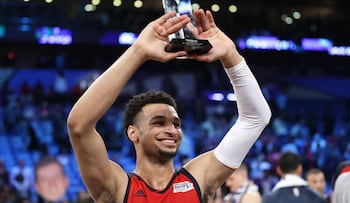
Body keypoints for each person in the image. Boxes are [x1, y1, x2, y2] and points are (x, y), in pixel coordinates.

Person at [67, 9, 271, 202]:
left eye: (176, 123)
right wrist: (138, 52)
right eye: (159, 122)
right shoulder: (118, 187)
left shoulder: (198, 179)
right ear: (133, 133)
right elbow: (79, 125)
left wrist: (231, 56)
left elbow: (256, 118)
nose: (172, 130)